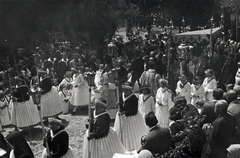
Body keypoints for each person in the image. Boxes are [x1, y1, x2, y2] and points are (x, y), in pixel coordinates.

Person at [114, 81, 147, 151]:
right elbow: (121, 105)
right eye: (124, 89)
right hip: (122, 117)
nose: (125, 91)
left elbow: (134, 111)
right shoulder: (121, 95)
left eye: (127, 90)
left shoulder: (134, 98)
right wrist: (119, 105)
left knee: (130, 134)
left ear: (130, 90)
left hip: (131, 118)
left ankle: (130, 146)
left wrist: (125, 113)